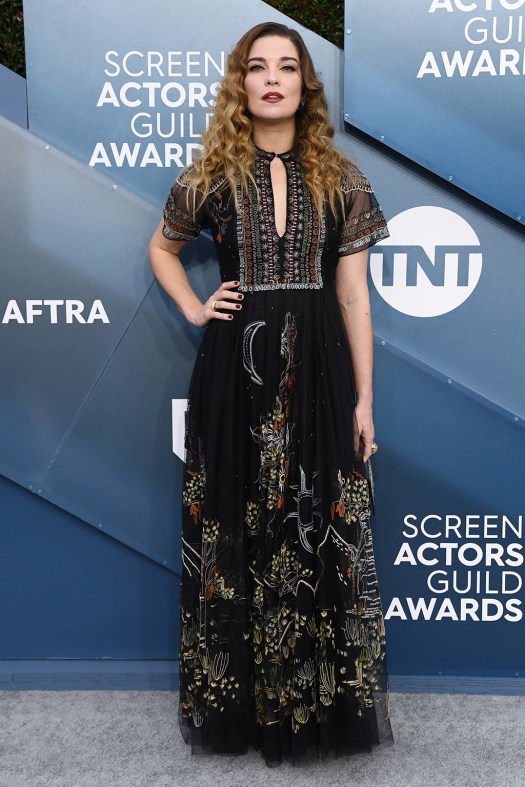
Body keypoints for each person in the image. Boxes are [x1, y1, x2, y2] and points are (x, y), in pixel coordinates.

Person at [148, 21, 394, 767]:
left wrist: (364, 400)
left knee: (316, 529)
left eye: (287, 67)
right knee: (236, 526)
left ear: (304, 85)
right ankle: (245, 712)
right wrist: (195, 307)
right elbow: (162, 247)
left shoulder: (342, 179)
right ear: (241, 84)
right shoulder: (209, 176)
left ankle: (314, 710)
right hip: (235, 372)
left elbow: (353, 296)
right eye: (258, 68)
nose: (273, 79)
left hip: (320, 369)